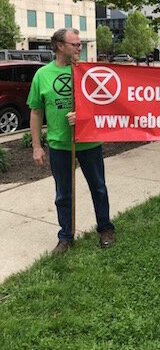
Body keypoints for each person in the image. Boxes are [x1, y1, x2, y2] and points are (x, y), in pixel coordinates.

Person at [27, 28, 115, 254]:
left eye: (79, 45)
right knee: (63, 193)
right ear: (60, 46)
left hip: (89, 143)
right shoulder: (42, 76)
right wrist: (37, 146)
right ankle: (66, 236)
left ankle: (105, 228)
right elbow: (36, 112)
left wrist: (84, 115)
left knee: (99, 188)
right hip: (59, 145)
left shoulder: (87, 71)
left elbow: (104, 104)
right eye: (75, 45)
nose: (79, 48)